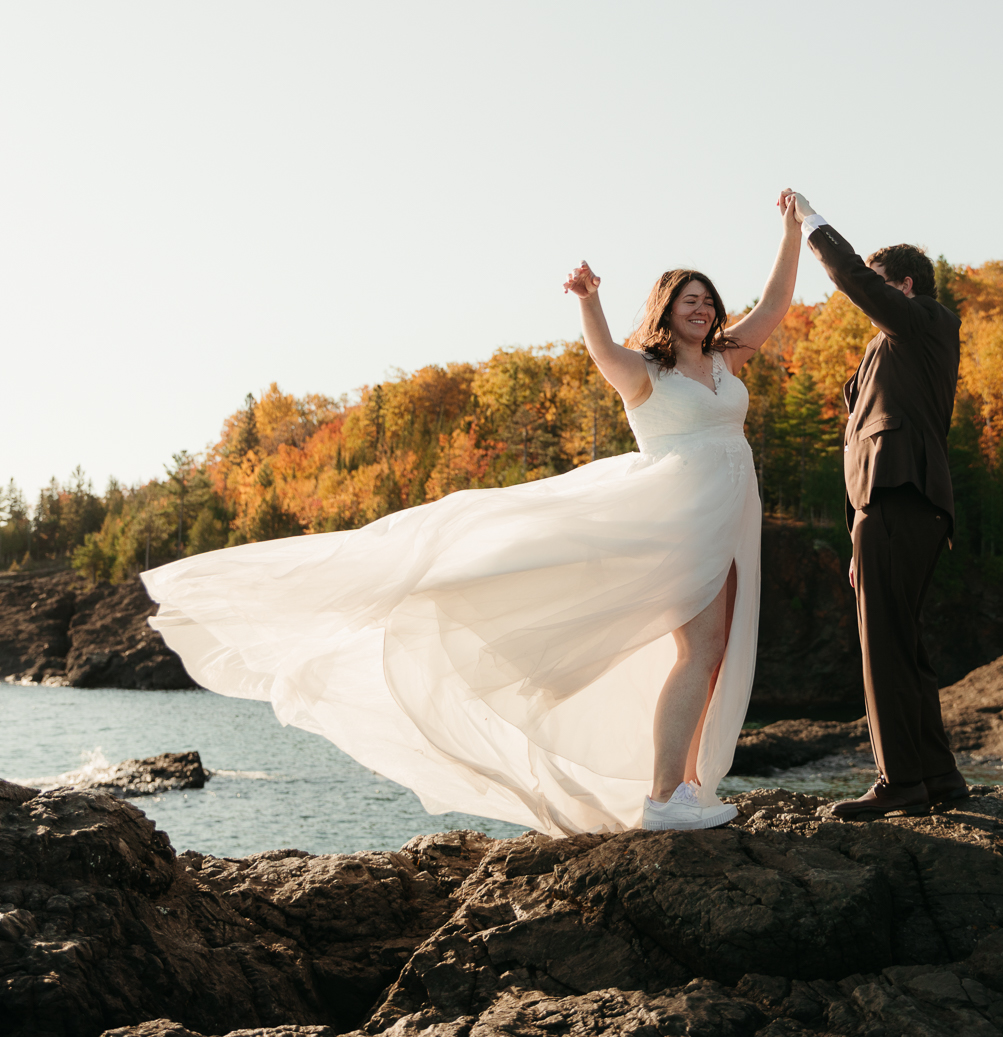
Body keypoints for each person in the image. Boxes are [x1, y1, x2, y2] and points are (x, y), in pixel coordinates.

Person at [142, 191, 803, 836]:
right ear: (667, 310)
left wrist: (793, 230)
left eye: (709, 300)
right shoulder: (644, 372)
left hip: (728, 517)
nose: (705, 307)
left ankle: (684, 789)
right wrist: (589, 299)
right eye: (691, 299)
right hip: (675, 522)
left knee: (711, 655)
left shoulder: (724, 357)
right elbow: (601, 351)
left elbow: (774, 305)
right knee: (699, 648)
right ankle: (664, 797)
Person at [792, 195, 969, 819]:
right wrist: (856, 533)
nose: (872, 294)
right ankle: (939, 777)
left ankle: (900, 782)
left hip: (901, 497)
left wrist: (812, 226)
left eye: (881, 282)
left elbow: (857, 281)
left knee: (883, 647)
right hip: (889, 507)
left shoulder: (925, 320)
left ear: (907, 285)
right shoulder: (892, 350)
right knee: (905, 644)